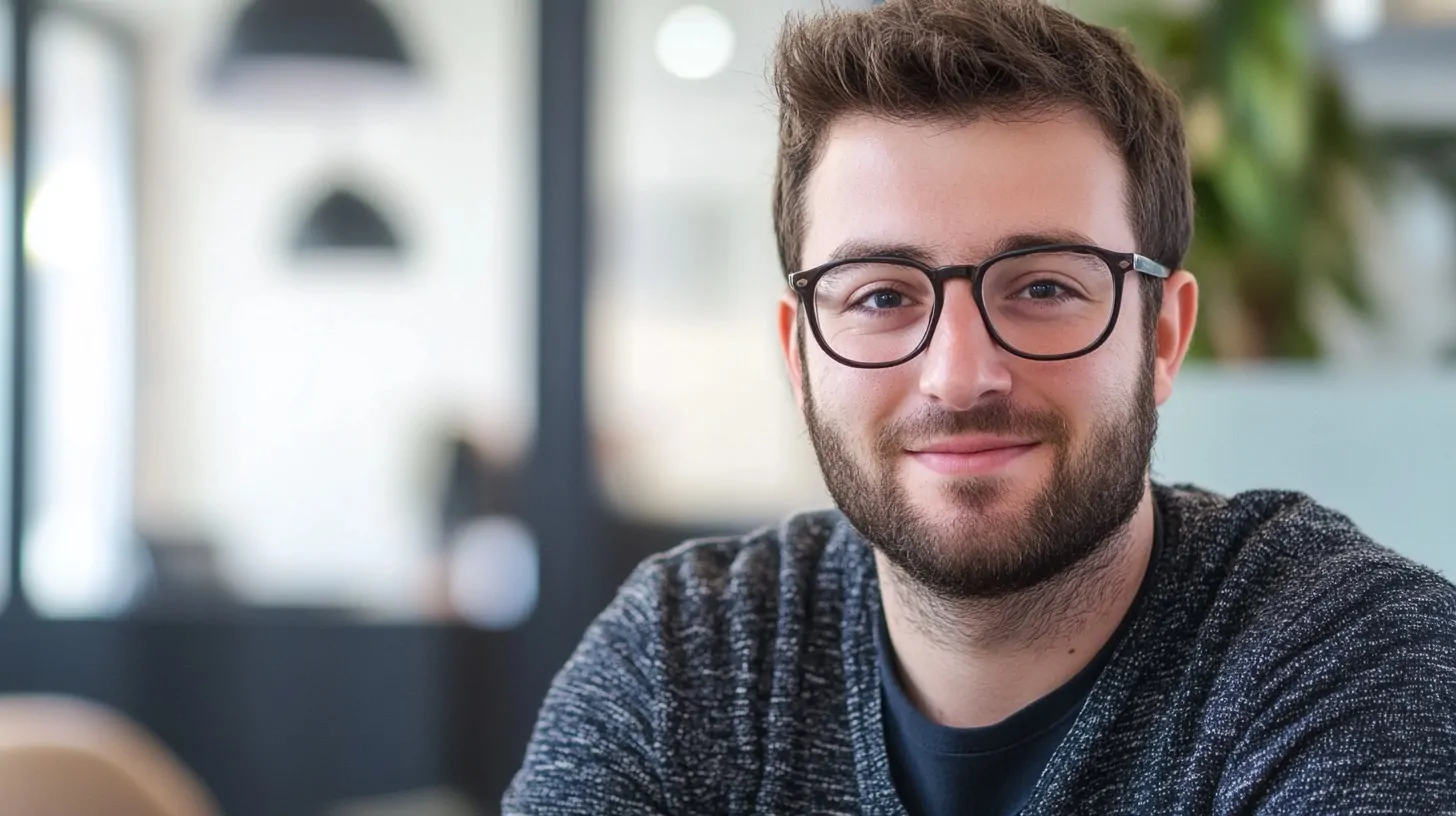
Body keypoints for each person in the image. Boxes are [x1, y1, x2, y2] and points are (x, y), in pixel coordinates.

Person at [504, 1, 1456, 813]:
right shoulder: (687, 657)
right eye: (881, 295)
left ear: (1163, 337)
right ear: (799, 353)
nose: (960, 377)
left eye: (1043, 287)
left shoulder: (1350, 661)